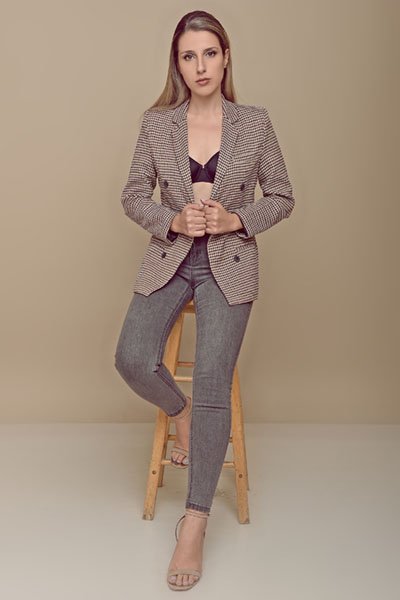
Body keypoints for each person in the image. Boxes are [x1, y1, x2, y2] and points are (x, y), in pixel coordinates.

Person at [114, 9, 295, 592]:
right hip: (171, 257)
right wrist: (172, 219)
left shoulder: (255, 123)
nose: (200, 66)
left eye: (209, 53)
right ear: (178, 63)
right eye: (189, 56)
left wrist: (235, 218)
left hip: (230, 263)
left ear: (225, 57)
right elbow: (132, 195)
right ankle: (181, 414)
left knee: (214, 379)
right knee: (132, 358)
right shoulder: (156, 124)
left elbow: (282, 196)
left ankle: (193, 523)